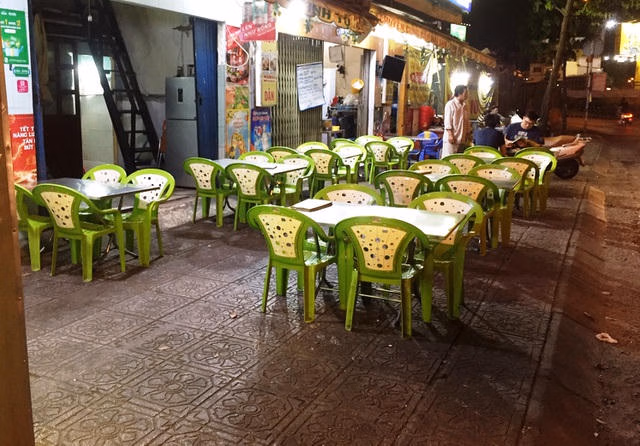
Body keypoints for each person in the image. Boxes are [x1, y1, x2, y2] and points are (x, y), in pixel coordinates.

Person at [443, 85, 470, 158]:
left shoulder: (465, 106)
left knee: (459, 160)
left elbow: (467, 121)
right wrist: (450, 135)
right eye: (465, 93)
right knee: (449, 159)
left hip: (462, 139)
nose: (467, 95)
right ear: (459, 93)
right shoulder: (450, 104)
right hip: (452, 138)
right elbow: (448, 121)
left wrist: (468, 133)